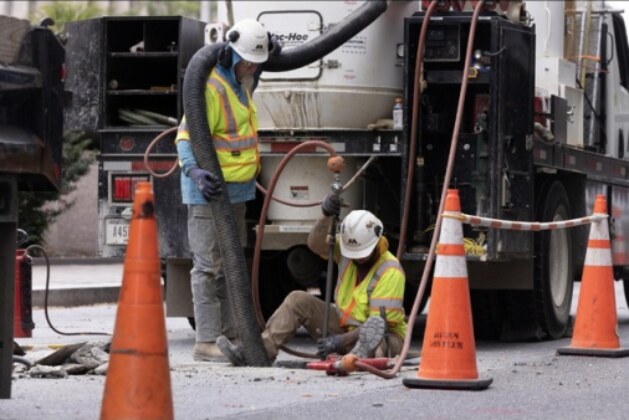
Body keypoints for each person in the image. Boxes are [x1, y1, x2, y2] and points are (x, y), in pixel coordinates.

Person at [175, 19, 281, 361]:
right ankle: (206, 341)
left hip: (238, 191)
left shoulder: (242, 81)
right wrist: (194, 171)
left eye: (256, 62)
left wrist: (269, 53)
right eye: (247, 61)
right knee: (208, 266)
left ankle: (235, 334)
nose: (252, 67)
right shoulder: (210, 87)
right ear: (231, 56)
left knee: (233, 264)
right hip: (209, 191)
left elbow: (253, 75)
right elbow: (185, 137)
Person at [217, 195, 407, 365]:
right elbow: (314, 244)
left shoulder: (390, 271)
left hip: (384, 335)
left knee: (376, 341)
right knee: (297, 299)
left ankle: (361, 358)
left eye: (362, 254)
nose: (358, 258)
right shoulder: (349, 251)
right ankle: (258, 354)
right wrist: (325, 216)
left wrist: (340, 342)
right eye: (354, 254)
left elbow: (378, 324)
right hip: (344, 327)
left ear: (376, 243)